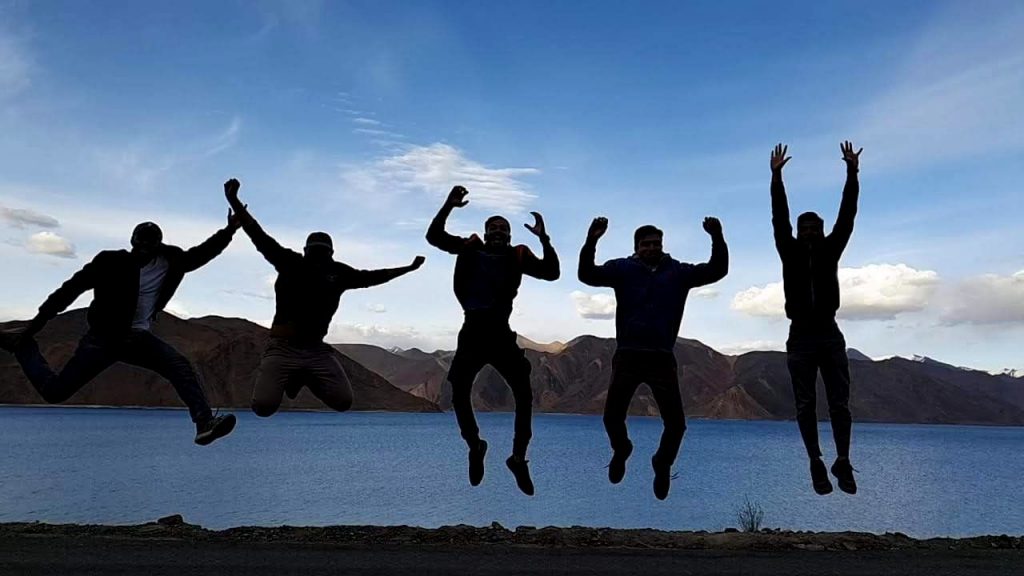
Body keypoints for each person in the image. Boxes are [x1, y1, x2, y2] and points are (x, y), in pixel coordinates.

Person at [0, 213, 241, 445]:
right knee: (56, 393)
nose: (143, 250)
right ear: (132, 242)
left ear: (158, 245)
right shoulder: (109, 262)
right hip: (103, 339)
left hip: (137, 338)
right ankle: (24, 348)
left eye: (149, 245)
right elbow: (68, 292)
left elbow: (201, 255)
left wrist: (229, 230)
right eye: (140, 244)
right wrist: (33, 328)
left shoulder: (171, 261)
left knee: (178, 366)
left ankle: (204, 423)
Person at [224, 178, 424, 417]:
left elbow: (258, 235)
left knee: (342, 401)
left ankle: (304, 375)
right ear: (318, 252)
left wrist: (408, 268)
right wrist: (234, 201)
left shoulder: (332, 272)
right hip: (282, 348)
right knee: (263, 407)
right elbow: (258, 235)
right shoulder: (294, 264)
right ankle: (293, 375)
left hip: (315, 349)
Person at [578, 215, 727, 499]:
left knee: (676, 424)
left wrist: (716, 236)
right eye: (646, 244)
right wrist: (592, 240)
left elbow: (717, 270)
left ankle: (662, 462)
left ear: (662, 245)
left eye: (656, 243)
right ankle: (622, 449)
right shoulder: (623, 269)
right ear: (637, 247)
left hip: (661, 357)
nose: (652, 248)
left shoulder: (678, 273)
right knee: (612, 417)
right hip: (628, 355)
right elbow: (587, 274)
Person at [426, 185, 559, 495]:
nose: (498, 232)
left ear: (510, 235)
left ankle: (518, 458)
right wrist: (448, 205)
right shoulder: (469, 247)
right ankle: (475, 445)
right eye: (493, 228)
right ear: (485, 233)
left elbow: (552, 272)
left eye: (503, 228)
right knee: (459, 392)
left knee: (524, 395)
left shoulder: (518, 254)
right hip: (472, 330)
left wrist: (543, 238)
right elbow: (434, 237)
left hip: (500, 332)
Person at [770, 141, 862, 495]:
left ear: (822, 231)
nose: (808, 233)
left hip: (829, 333)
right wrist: (776, 178)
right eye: (803, 228)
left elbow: (848, 214)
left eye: (814, 228)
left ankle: (843, 460)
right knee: (805, 404)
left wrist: (852, 173)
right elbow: (778, 215)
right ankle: (815, 462)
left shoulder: (831, 248)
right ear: (797, 231)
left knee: (840, 403)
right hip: (800, 337)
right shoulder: (788, 249)